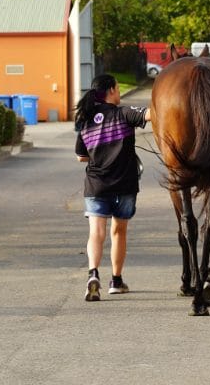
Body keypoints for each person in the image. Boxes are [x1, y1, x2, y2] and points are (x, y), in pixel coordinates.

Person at [74, 74, 150, 301]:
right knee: (119, 231)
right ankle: (116, 281)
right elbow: (150, 115)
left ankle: (93, 274)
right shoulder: (123, 113)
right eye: (117, 88)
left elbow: (80, 156)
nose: (118, 92)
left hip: (96, 185)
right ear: (111, 90)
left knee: (96, 233)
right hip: (125, 184)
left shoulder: (86, 120)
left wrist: (101, 153)